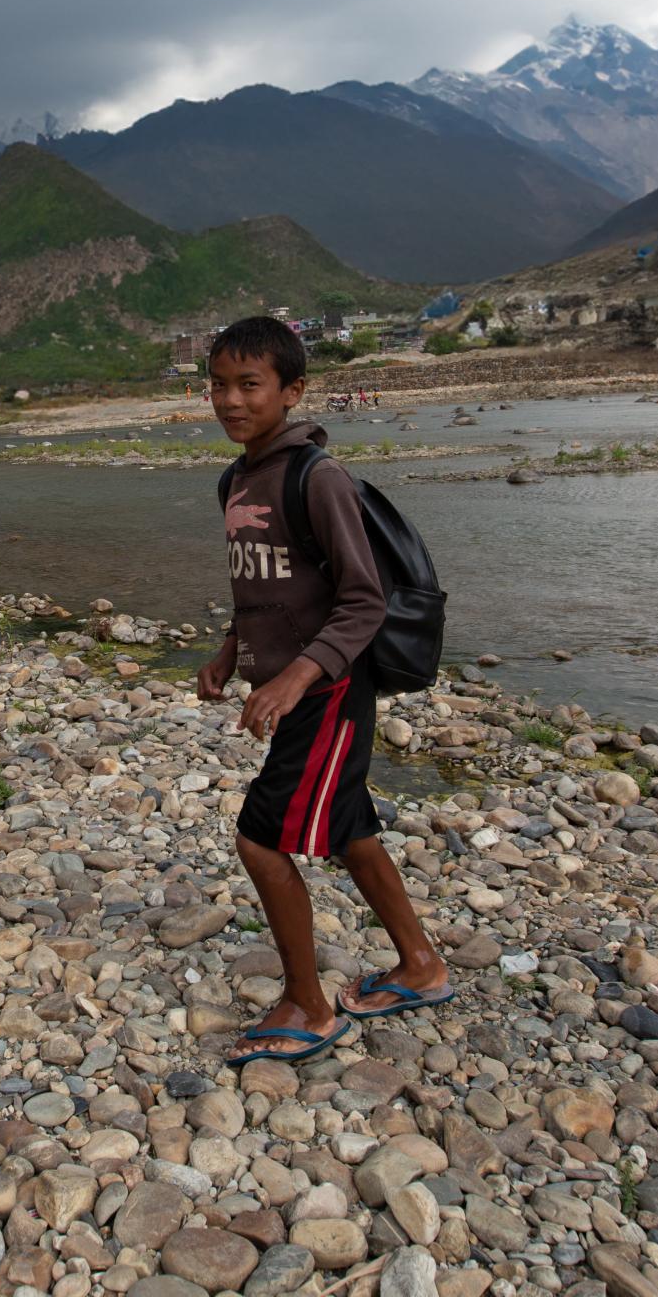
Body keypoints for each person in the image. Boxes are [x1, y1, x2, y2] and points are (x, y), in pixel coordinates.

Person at [196, 315, 450, 1066]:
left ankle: (309, 1005)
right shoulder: (235, 479)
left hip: (330, 690)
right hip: (295, 682)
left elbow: (362, 600)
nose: (231, 400)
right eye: (218, 384)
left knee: (260, 836)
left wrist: (297, 676)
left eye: (250, 384)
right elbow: (267, 587)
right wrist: (231, 650)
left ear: (292, 390)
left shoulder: (319, 476)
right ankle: (421, 965)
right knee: (349, 831)